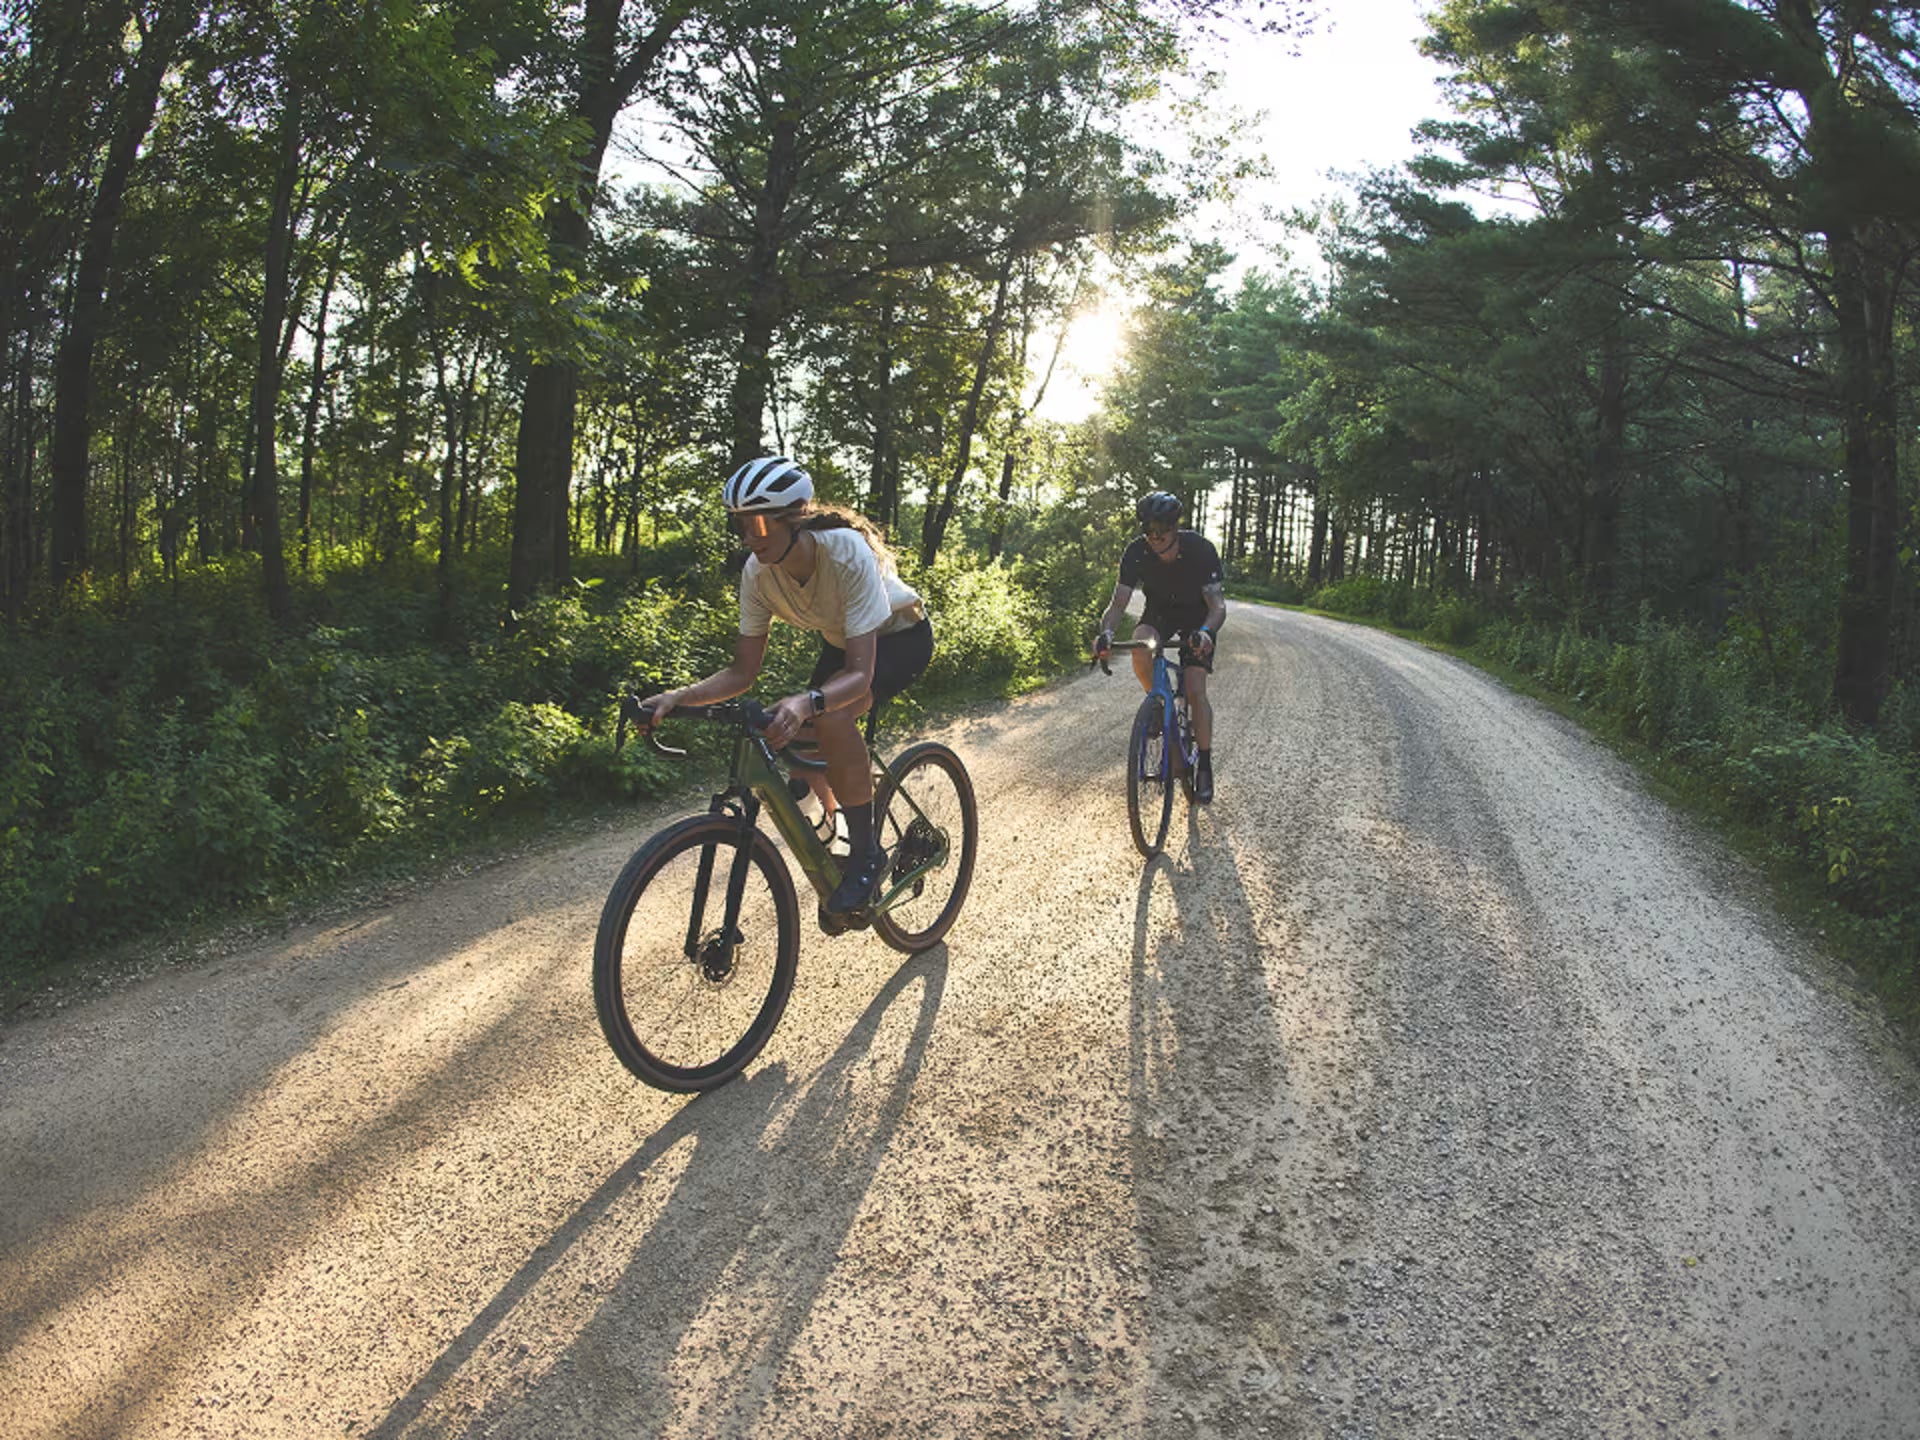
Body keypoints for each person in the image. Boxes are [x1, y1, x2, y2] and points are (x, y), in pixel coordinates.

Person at [640, 456, 933, 912]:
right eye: (740, 525)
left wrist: (806, 702)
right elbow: (742, 673)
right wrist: (680, 697)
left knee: (829, 716)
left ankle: (865, 855)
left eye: (758, 524)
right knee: (791, 731)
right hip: (845, 640)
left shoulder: (845, 550)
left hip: (900, 637)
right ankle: (832, 825)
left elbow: (859, 676)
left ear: (794, 519)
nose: (749, 538)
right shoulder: (758, 574)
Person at [1091, 491, 1227, 803]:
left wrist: (1206, 633)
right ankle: (1159, 702)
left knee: (1194, 688)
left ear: (1175, 528)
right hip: (1160, 613)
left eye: (1161, 530)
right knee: (1141, 646)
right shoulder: (1136, 552)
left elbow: (1217, 606)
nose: (1154, 537)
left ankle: (1203, 764)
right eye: (1148, 530)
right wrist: (1108, 633)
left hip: (1198, 617)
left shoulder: (1200, 550)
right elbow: (1118, 603)